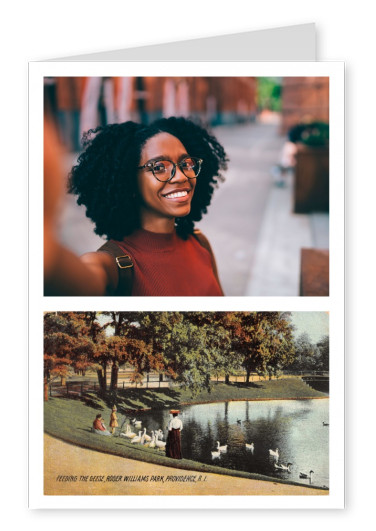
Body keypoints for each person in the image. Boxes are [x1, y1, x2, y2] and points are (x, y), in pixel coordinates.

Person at [45, 116, 227, 296]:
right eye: (159, 167)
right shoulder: (112, 266)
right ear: (130, 181)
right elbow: (74, 280)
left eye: (186, 164)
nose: (181, 176)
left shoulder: (200, 243)